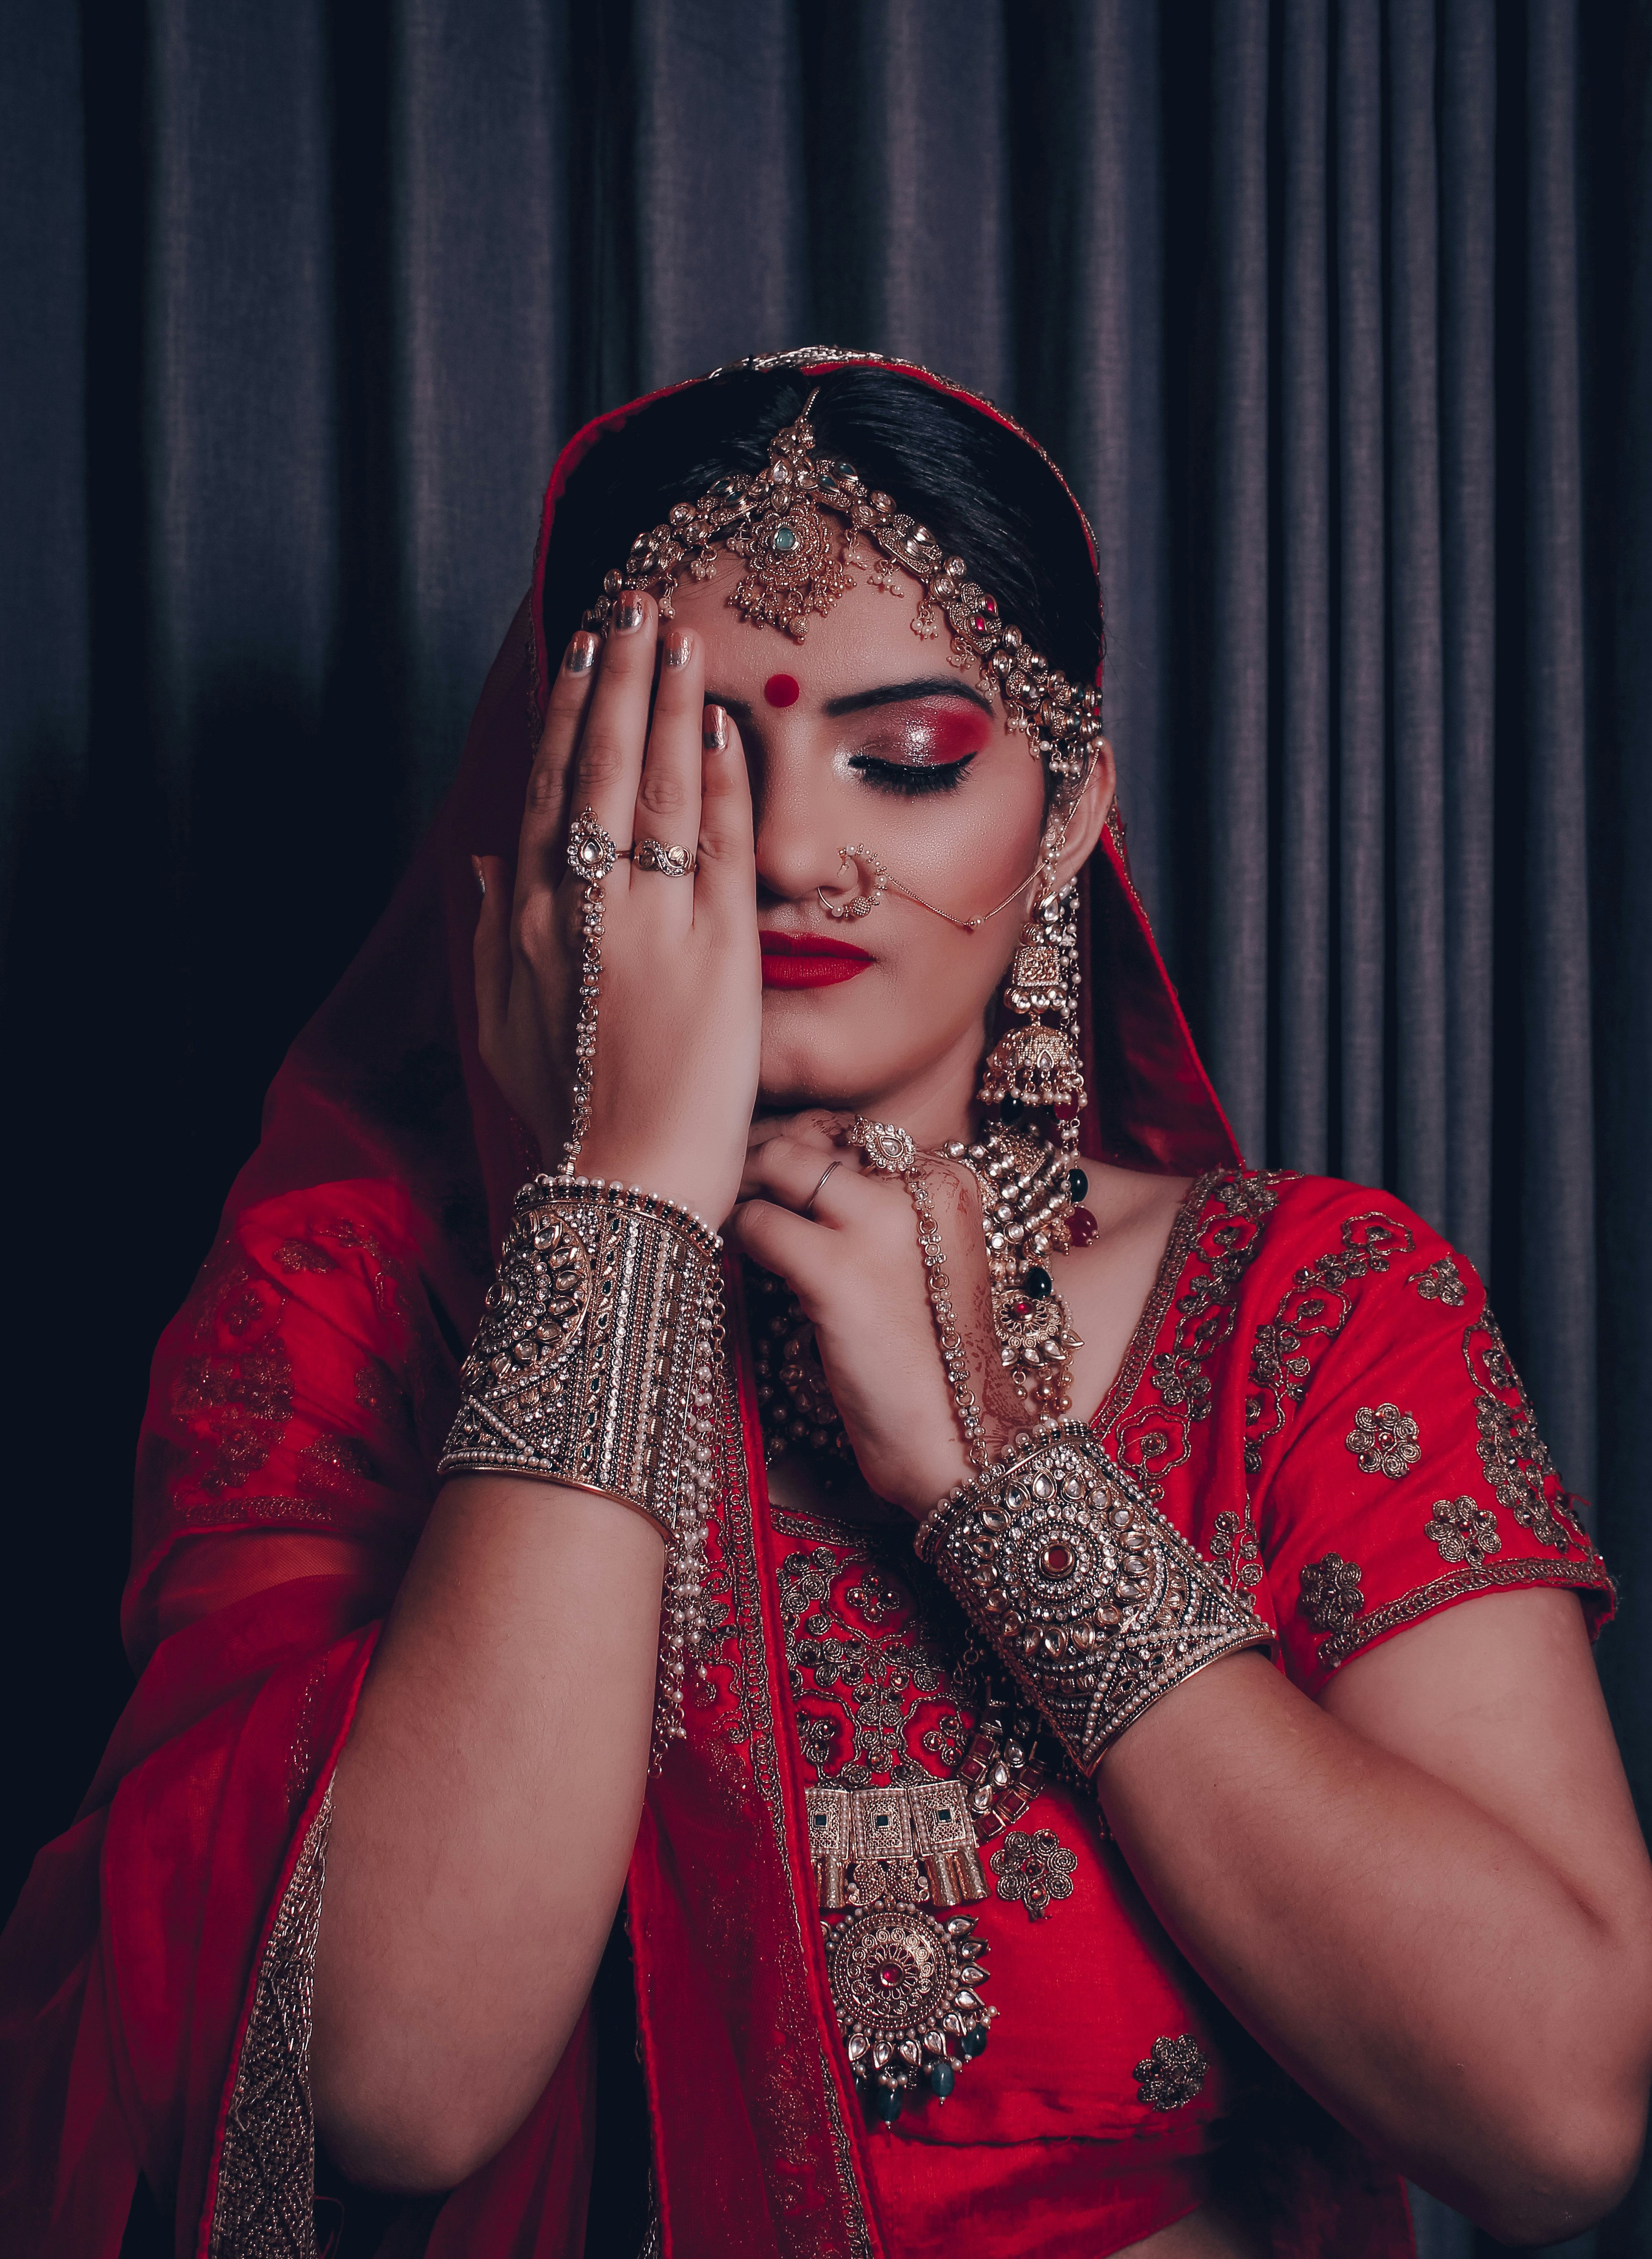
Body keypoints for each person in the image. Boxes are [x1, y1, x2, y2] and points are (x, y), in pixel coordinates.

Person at [3, 351, 1649, 2259]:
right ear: (553, 802)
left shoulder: (1315, 1304)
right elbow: (393, 2083)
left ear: (1069, 808)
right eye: (690, 762)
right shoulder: (364, 1306)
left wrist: (1010, 1492)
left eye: (913, 758)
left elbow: (1560, 2117)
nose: (790, 852)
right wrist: (615, 1216)